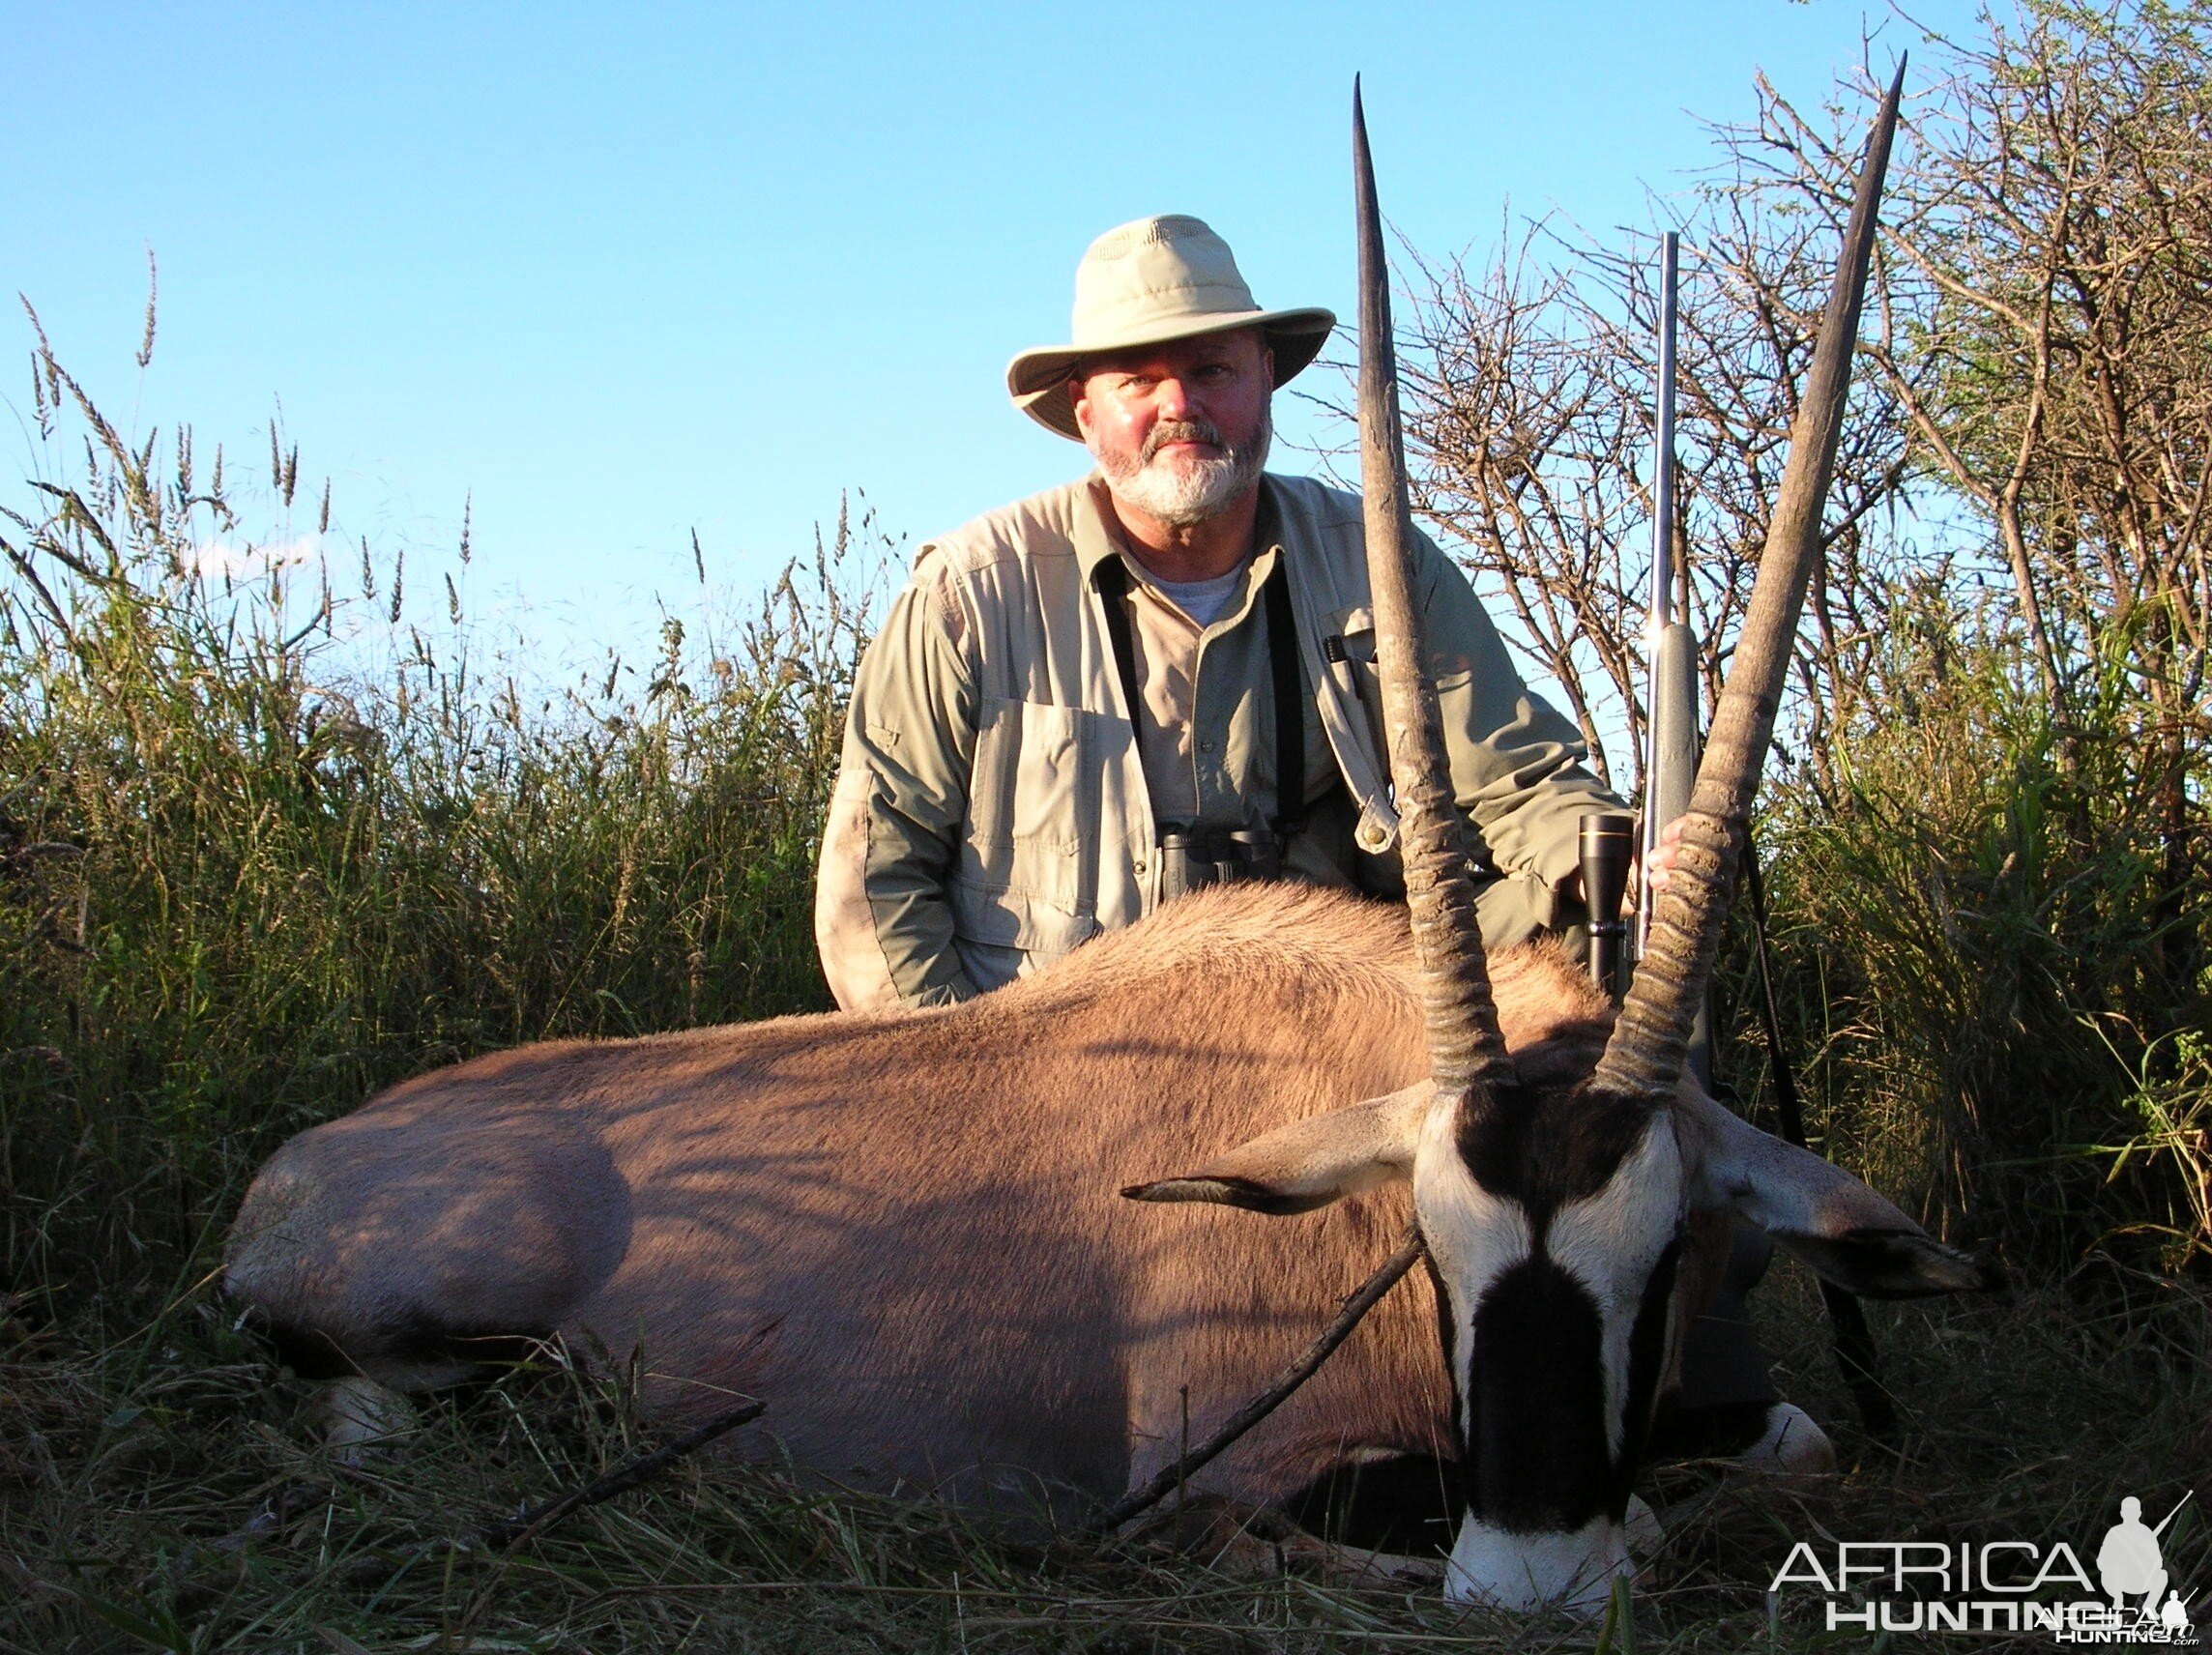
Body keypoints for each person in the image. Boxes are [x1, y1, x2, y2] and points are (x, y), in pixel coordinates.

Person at [816, 213, 1637, 1010]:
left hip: (1338, 1037)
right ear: (1084, 408)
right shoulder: (969, 594)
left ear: (1265, 378)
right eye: (1138, 379)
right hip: (1067, 1078)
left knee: (1603, 913)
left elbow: (1523, 786)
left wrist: (1632, 863)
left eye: (1213, 370)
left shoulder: (1381, 561)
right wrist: (973, 1090)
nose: (1179, 405)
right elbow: (874, 883)